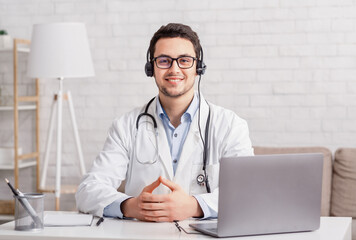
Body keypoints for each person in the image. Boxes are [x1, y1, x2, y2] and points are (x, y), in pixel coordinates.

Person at [75, 23, 254, 222]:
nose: (174, 69)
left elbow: (247, 192)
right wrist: (130, 206)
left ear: (198, 68)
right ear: (151, 67)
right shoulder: (125, 126)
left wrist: (194, 206)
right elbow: (87, 190)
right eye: (164, 61)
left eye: (184, 60)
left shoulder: (230, 126)